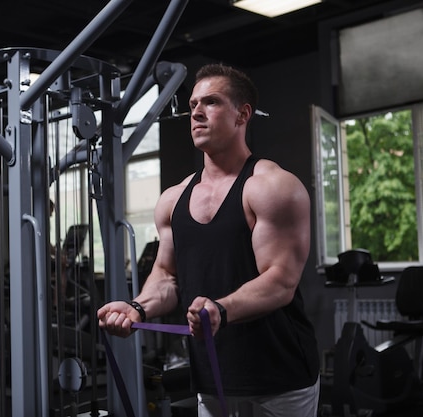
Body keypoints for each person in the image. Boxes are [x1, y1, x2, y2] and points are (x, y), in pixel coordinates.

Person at [97, 63, 320, 417]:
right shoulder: (173, 199)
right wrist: (137, 307)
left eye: (211, 102)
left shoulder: (272, 187)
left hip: (279, 376)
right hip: (211, 375)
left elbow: (281, 282)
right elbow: (168, 277)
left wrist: (221, 308)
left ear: (242, 114)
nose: (197, 112)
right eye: (192, 105)